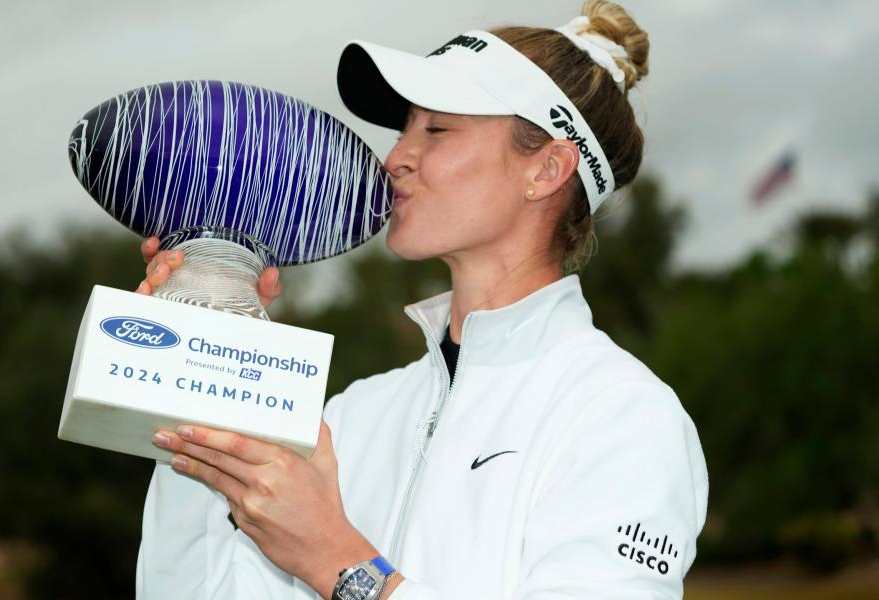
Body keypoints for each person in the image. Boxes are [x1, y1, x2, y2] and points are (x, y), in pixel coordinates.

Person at [134, 1, 708, 598]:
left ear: (547, 169)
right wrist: (202, 368)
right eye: (404, 128)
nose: (396, 157)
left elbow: (329, 560)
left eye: (436, 129)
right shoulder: (352, 415)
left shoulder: (622, 415)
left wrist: (336, 559)